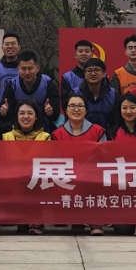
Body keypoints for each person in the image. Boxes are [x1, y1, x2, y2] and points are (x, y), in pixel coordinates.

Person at [53, 94, 106, 235]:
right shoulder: (57, 134)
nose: (76, 109)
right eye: (72, 106)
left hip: (91, 176)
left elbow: (103, 157)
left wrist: (84, 170)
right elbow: (56, 160)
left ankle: (94, 220)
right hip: (67, 176)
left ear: (86, 110)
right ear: (65, 110)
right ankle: (76, 219)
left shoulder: (98, 131)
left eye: (80, 106)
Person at [105, 91, 136, 237]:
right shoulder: (112, 133)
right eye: (124, 108)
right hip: (121, 183)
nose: (128, 111)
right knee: (123, 230)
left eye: (132, 107)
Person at [2, 99, 51, 235]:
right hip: (13, 181)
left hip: (36, 181)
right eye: (22, 113)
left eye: (30, 113)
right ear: (17, 116)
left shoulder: (46, 137)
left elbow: (46, 164)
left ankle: (36, 220)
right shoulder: (6, 137)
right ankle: (21, 218)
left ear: (36, 117)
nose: (25, 117)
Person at [0, 51, 61, 135]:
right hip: (18, 134)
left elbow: (55, 114)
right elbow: (7, 115)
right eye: (23, 68)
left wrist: (51, 112)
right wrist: (4, 112)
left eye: (30, 68)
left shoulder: (48, 83)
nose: (27, 72)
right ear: (18, 69)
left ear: (37, 68)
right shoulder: (12, 85)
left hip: (43, 133)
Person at [76, 58, 118, 128]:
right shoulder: (76, 94)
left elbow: (116, 121)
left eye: (97, 70)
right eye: (89, 70)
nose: (93, 73)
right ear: (84, 74)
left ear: (103, 73)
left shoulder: (113, 94)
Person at [0, 32, 22, 112]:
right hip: (1, 112)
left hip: (22, 112)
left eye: (13, 43)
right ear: (2, 48)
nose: (10, 46)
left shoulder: (25, 67)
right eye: (7, 44)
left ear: (19, 47)